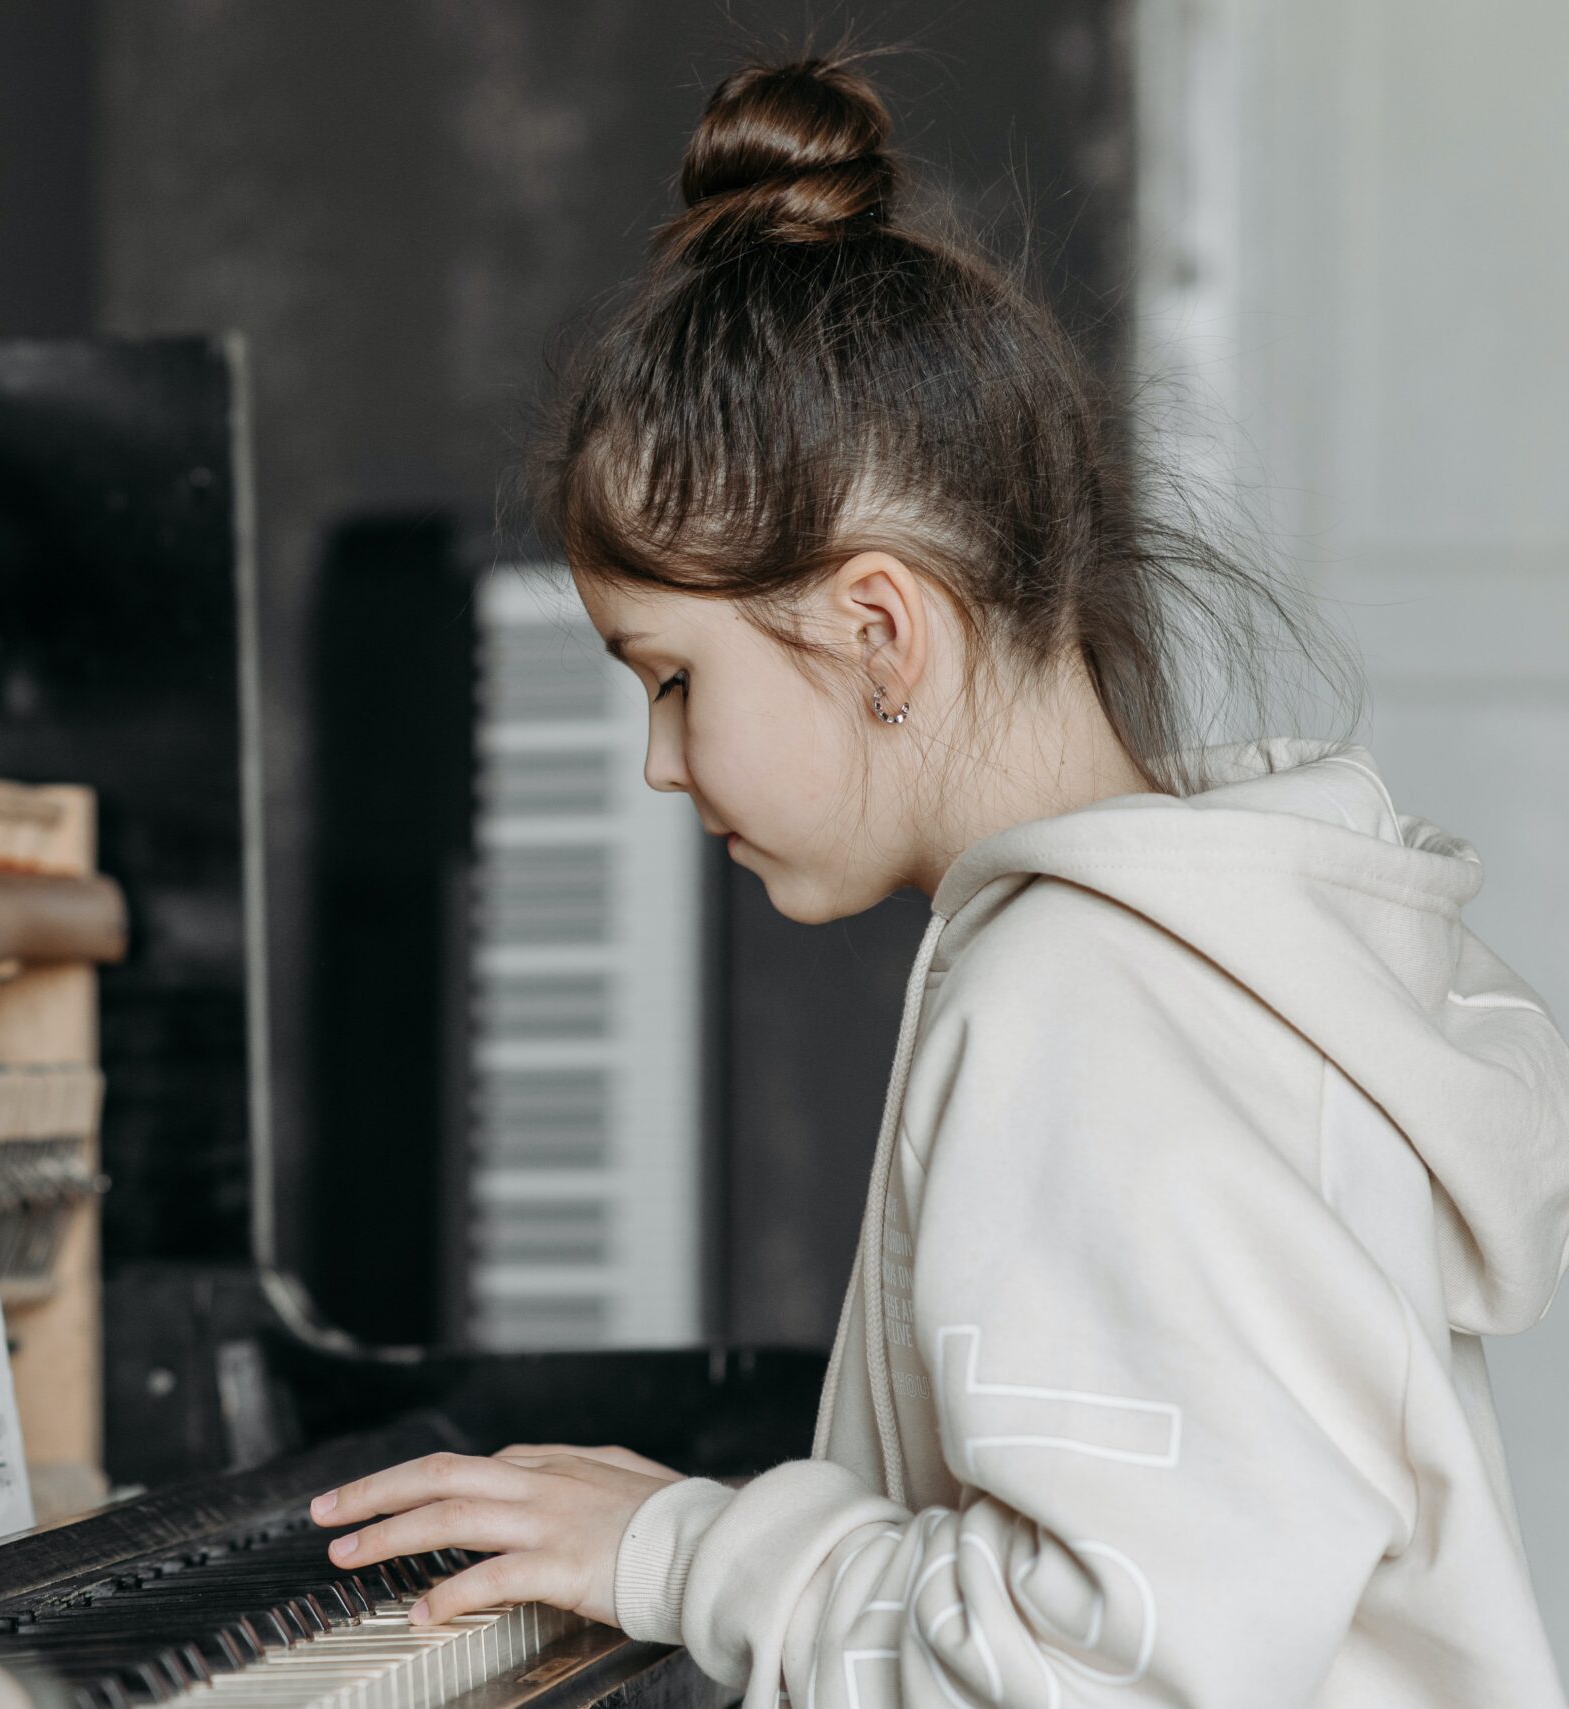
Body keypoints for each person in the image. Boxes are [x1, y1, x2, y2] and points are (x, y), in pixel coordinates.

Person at [305, 51, 1569, 1708]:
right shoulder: (1201, 949)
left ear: (879, 629)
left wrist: (690, 1550)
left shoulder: (1090, 999)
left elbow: (1093, 1677)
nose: (661, 762)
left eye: (673, 677)